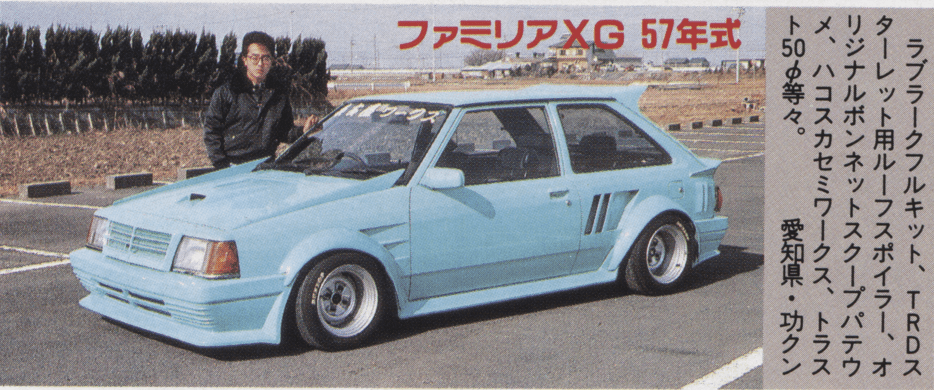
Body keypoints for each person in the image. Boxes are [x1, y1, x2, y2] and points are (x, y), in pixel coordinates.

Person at [204, 31, 318, 169]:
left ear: (272, 61)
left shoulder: (278, 94)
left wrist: (303, 131)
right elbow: (211, 132)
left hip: (266, 167)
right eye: (254, 58)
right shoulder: (227, 92)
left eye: (266, 58)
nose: (260, 64)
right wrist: (222, 166)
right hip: (233, 167)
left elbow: (284, 131)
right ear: (244, 60)